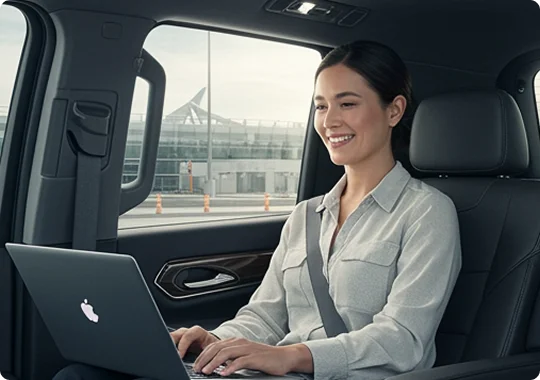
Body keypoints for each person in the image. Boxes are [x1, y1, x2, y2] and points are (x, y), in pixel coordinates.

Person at [53, 40, 462, 380]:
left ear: (394, 110)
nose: (329, 121)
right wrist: (218, 342)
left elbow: (404, 339)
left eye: (347, 104)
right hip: (277, 375)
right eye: (320, 106)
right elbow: (265, 316)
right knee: (81, 375)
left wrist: (294, 356)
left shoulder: (427, 213)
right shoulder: (306, 215)